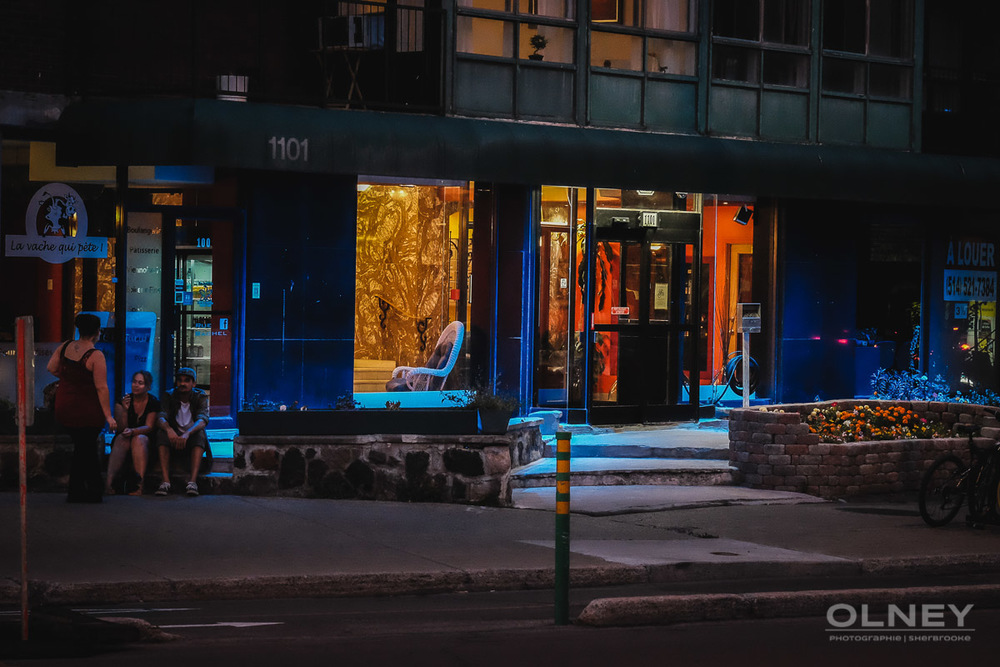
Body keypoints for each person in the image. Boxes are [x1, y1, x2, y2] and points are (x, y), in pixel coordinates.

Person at [46, 313, 116, 503]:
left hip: (65, 404)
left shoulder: (65, 346)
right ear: (97, 332)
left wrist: (70, 379)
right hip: (87, 407)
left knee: (83, 447)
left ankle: (78, 490)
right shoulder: (95, 355)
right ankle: (91, 490)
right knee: (87, 447)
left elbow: (51, 368)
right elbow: (101, 387)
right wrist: (109, 416)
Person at [155, 367, 210, 497]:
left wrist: (187, 433)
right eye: (179, 380)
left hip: (189, 437)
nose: (182, 383)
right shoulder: (169, 395)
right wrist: (169, 430)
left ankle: (192, 482)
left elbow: (203, 419)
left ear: (193, 384)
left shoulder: (200, 396)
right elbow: (161, 416)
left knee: (200, 434)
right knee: (161, 434)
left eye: (186, 380)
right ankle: (165, 481)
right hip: (174, 436)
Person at [105, 370, 160, 496]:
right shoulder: (123, 401)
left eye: (140, 383)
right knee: (120, 438)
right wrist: (124, 410)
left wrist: (133, 431)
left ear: (148, 387)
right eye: (134, 382)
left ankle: (140, 486)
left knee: (139, 439)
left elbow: (149, 427)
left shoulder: (153, 402)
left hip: (144, 442)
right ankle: (108, 484)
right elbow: (121, 428)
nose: (136, 385)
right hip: (125, 439)